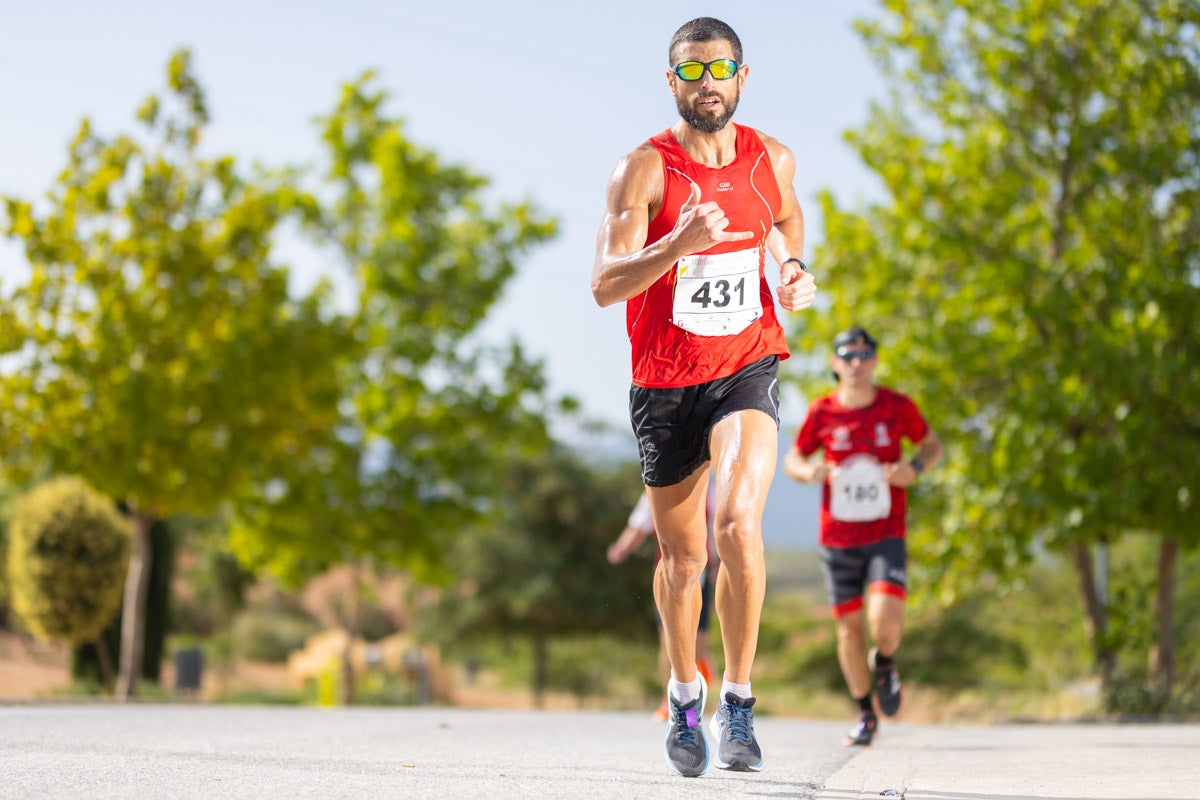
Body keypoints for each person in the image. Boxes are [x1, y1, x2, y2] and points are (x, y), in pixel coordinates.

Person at [591, 16, 818, 777]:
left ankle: (740, 701)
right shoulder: (642, 171)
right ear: (672, 83)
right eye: (690, 73)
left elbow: (784, 220)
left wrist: (791, 267)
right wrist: (675, 245)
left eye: (718, 70)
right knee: (682, 562)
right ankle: (684, 693)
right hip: (664, 384)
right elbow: (603, 285)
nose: (706, 84)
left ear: (741, 77)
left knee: (737, 525)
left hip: (746, 365)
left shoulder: (772, 159)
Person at [784, 326, 943, 747]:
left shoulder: (895, 406)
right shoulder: (821, 412)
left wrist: (915, 468)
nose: (856, 363)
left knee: (883, 622)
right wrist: (808, 471)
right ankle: (864, 713)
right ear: (835, 364)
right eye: (847, 356)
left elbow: (931, 446)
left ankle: (886, 662)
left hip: (886, 531)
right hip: (837, 538)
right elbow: (794, 458)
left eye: (864, 355)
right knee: (849, 631)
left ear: (874, 360)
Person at [607, 485, 719, 721]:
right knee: (670, 643)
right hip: (668, 575)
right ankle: (674, 703)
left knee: (698, 648)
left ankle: (699, 700)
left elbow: (717, 532)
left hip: (702, 577)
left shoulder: (712, 491)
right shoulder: (658, 484)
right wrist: (621, 549)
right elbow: (638, 526)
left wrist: (719, 565)